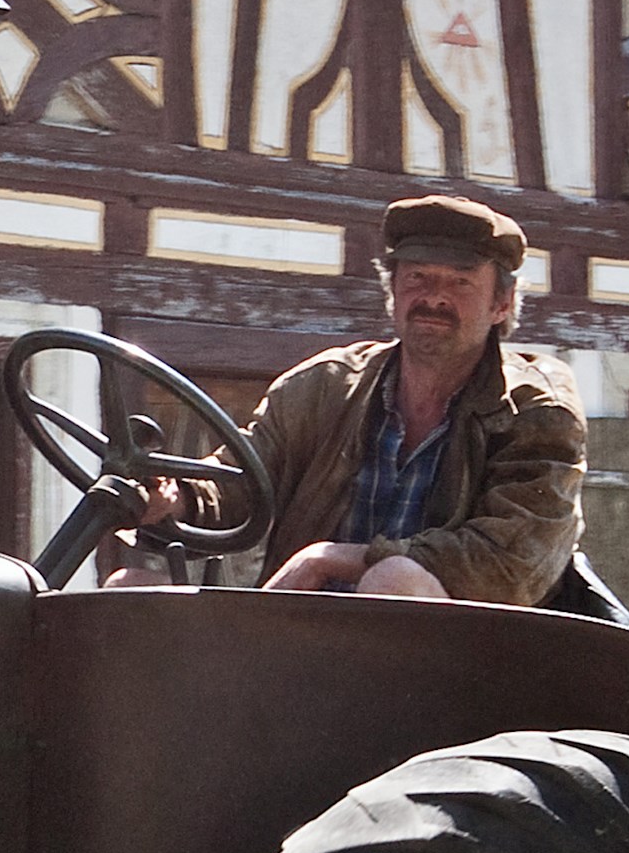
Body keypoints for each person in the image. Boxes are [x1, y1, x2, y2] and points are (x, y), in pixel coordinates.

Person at [133, 194, 588, 604]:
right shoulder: (325, 385)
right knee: (130, 592)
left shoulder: (535, 409)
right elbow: (242, 479)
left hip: (466, 669)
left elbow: (507, 562)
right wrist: (176, 497)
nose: (434, 297)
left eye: (460, 282)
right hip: (306, 643)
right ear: (393, 292)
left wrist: (334, 560)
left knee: (394, 582)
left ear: (502, 303)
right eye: (417, 277)